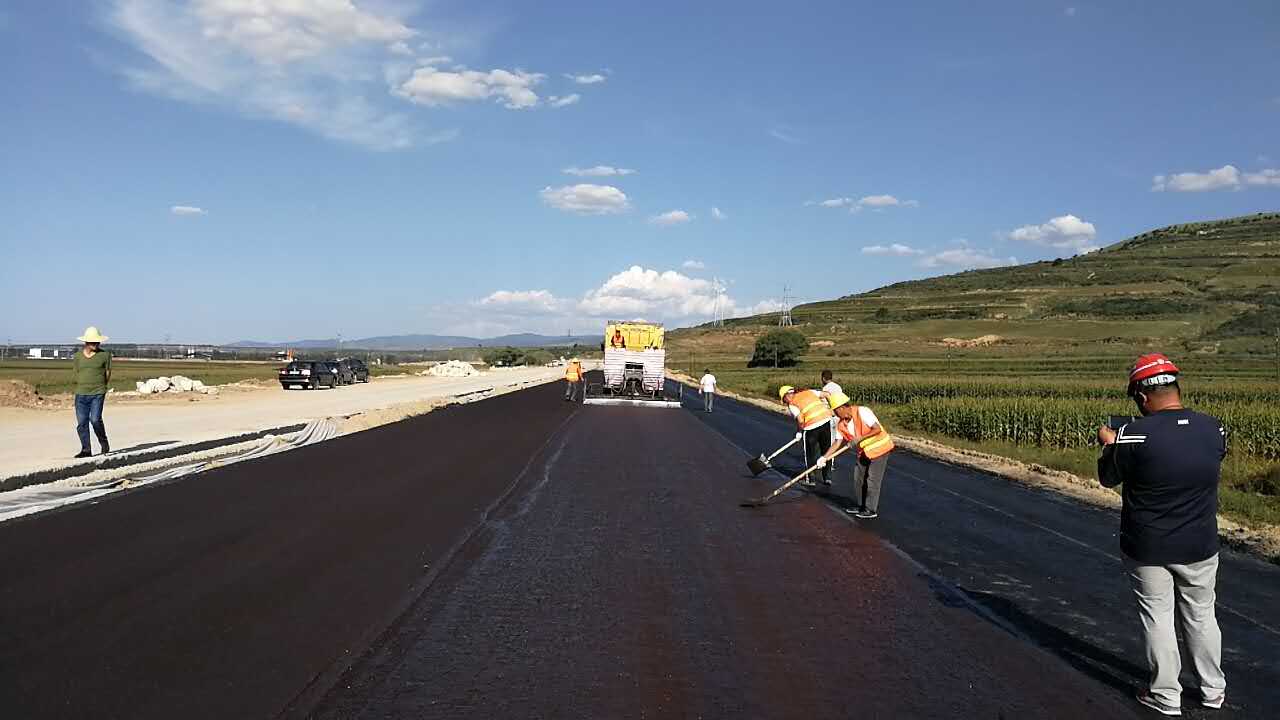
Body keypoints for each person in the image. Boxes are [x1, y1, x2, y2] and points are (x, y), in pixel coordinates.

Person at [1097, 353, 1227, 716]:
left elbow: (1108, 478)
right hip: (1201, 544)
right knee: (1202, 615)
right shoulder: (1213, 429)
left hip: (1148, 546)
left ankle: (1166, 695)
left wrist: (1110, 444)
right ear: (1175, 388)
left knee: (1158, 617)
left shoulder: (1133, 433)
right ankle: (1213, 688)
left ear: (1141, 397)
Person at [815, 391, 894, 518]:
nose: (834, 414)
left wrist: (860, 438)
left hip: (880, 449)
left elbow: (877, 429)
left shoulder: (862, 412)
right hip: (864, 452)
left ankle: (870, 509)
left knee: (872, 480)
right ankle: (861, 506)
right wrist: (824, 457)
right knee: (858, 479)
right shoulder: (841, 424)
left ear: (842, 407)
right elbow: (837, 443)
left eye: (835, 411)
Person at [778, 385, 835, 486]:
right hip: (826, 422)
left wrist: (799, 431)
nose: (786, 402)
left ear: (786, 396)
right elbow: (827, 394)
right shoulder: (809, 392)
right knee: (826, 450)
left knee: (810, 454)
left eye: (784, 400)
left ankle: (811, 480)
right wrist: (832, 408)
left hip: (811, 428)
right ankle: (827, 478)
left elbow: (800, 420)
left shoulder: (792, 404)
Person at [71, 326, 112, 458]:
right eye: (93, 342)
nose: (96, 344)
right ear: (86, 342)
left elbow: (107, 372)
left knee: (95, 420)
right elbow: (77, 372)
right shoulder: (77, 356)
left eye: (97, 342)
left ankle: (103, 442)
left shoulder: (105, 355)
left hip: (98, 392)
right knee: (82, 423)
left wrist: (102, 386)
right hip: (81, 394)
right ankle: (86, 450)